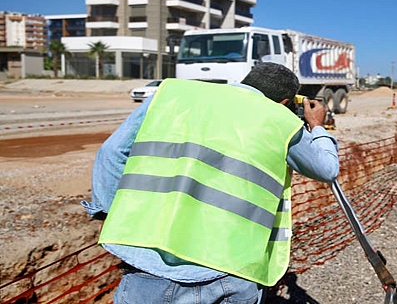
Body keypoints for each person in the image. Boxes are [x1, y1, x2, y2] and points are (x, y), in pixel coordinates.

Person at [81, 63, 339, 304]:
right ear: (285, 102)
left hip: (149, 262)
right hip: (229, 267)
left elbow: (112, 152)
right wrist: (316, 126)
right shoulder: (283, 122)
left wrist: (107, 211)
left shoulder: (172, 92)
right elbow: (327, 169)